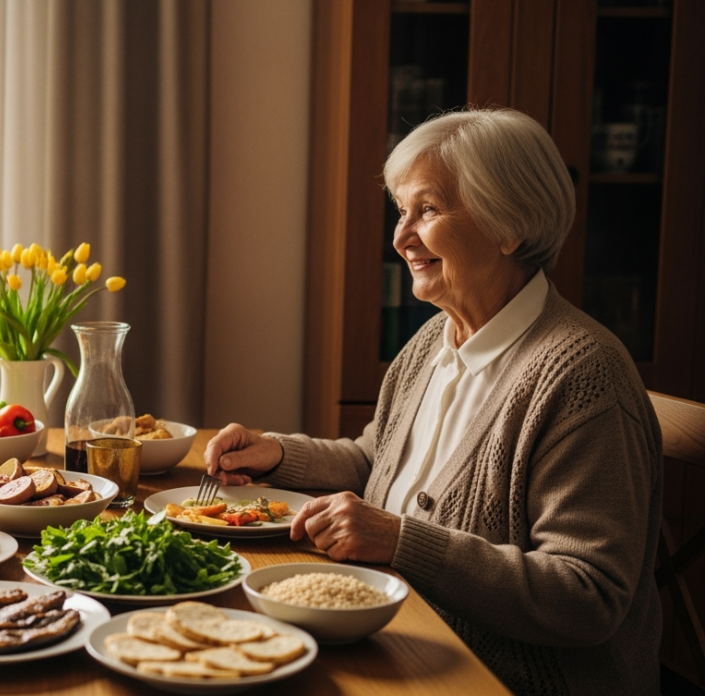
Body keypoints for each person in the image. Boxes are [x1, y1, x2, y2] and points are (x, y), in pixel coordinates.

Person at [206, 108, 661, 695]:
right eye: (401, 211)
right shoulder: (434, 339)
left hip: (505, 680)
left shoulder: (582, 375)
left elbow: (587, 595)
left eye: (428, 210)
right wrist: (278, 454)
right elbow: (379, 461)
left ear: (511, 225)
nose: (401, 238)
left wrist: (402, 541)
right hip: (402, 640)